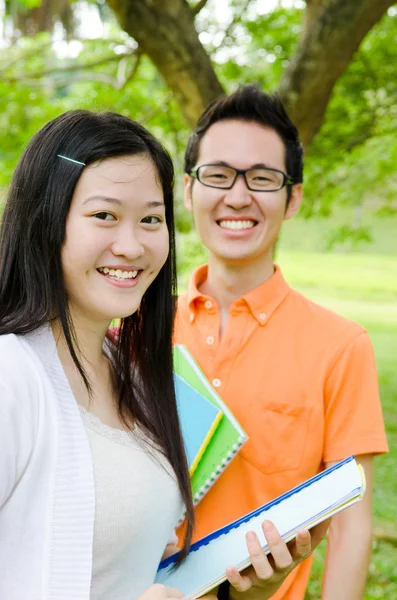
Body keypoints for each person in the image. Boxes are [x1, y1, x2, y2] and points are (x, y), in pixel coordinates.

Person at [0, 109, 315, 600]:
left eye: (151, 219)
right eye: (104, 215)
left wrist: (238, 591)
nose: (131, 245)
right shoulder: (11, 378)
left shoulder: (138, 378)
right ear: (46, 221)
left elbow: (132, 573)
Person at [174, 85, 389, 600]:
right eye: (219, 175)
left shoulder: (340, 346)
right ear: (188, 191)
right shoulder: (132, 330)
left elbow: (350, 525)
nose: (238, 196)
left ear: (292, 198)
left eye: (263, 179)